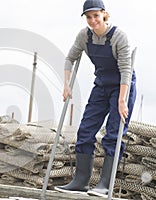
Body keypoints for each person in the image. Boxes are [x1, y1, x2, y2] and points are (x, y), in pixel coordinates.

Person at [54, 0, 136, 197]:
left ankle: (104, 185)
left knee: (113, 134)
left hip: (122, 87)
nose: (92, 21)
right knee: (85, 131)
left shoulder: (119, 37)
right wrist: (66, 84)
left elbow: (126, 70)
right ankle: (81, 181)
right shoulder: (84, 36)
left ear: (104, 14)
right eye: (88, 17)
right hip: (101, 86)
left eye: (96, 16)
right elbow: (69, 58)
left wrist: (122, 100)